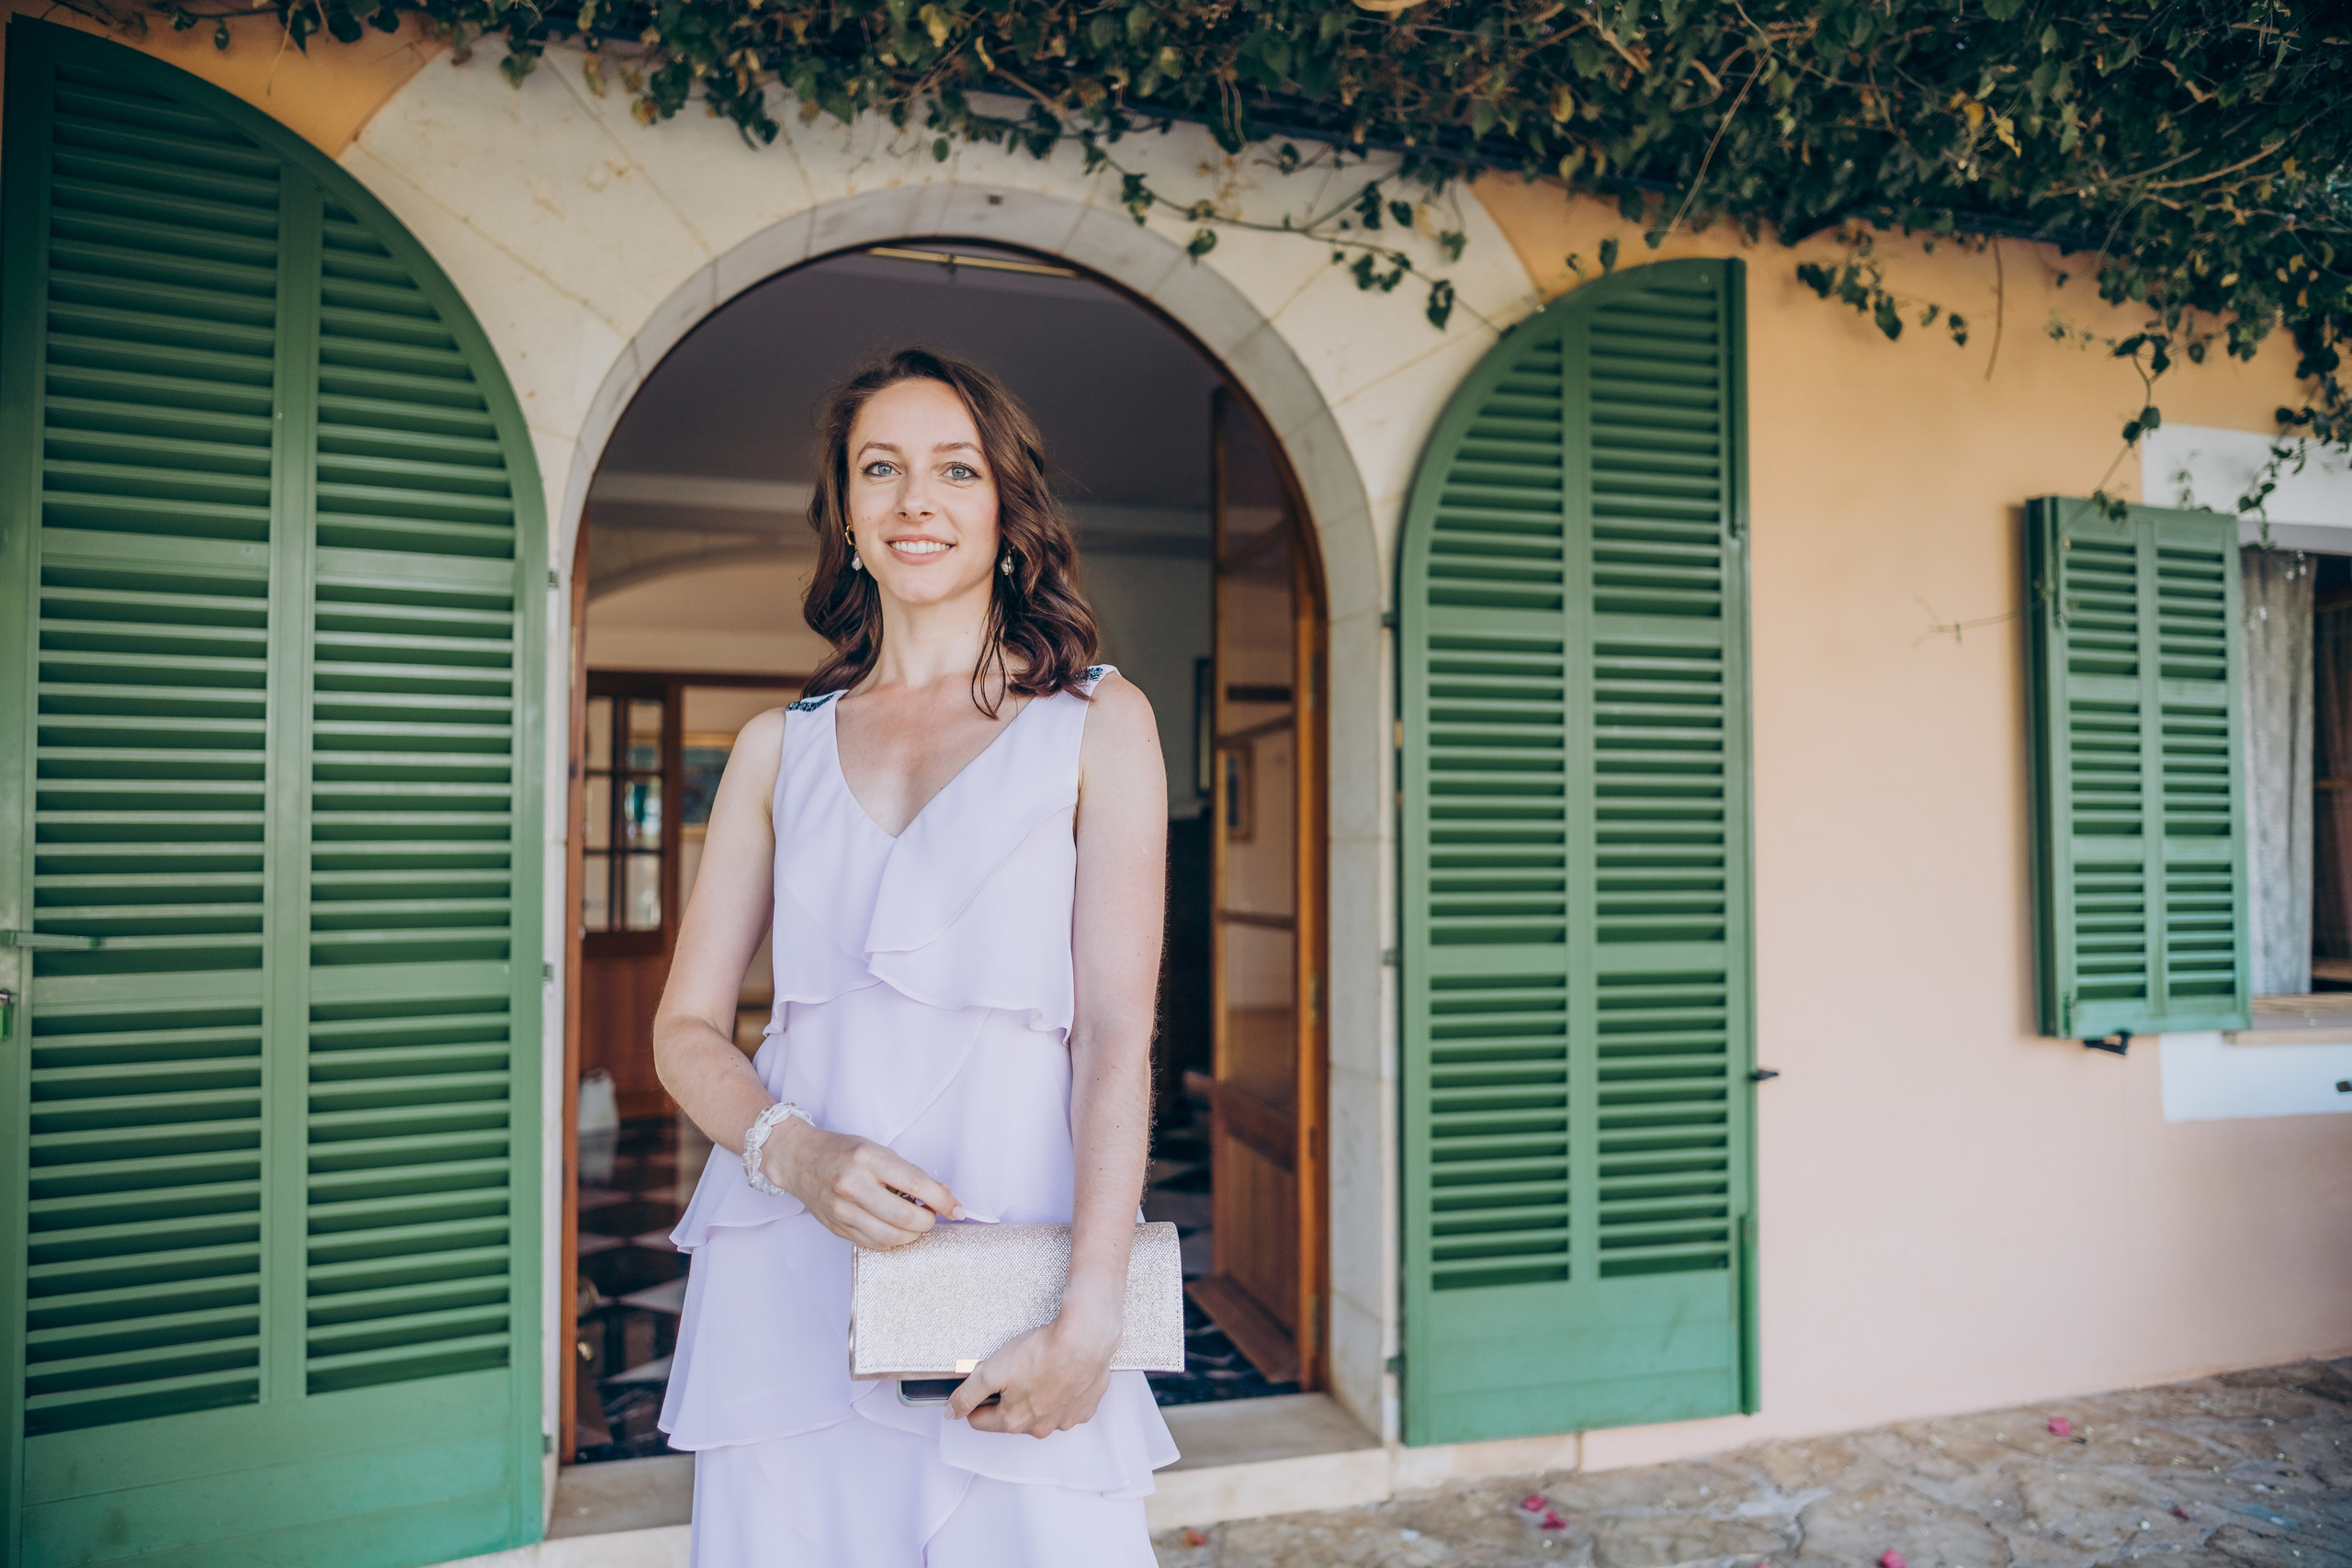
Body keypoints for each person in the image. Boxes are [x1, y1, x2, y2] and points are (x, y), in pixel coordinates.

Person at [650, 346, 1177, 1564]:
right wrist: (796, 1152)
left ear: (1006, 514)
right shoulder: (776, 749)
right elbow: (684, 1032)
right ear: (844, 514)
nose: (913, 500)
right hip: (790, 1258)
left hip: (1016, 1259)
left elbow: (1113, 1034)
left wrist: (1090, 1313)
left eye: (955, 468)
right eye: (878, 469)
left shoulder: (1100, 721)